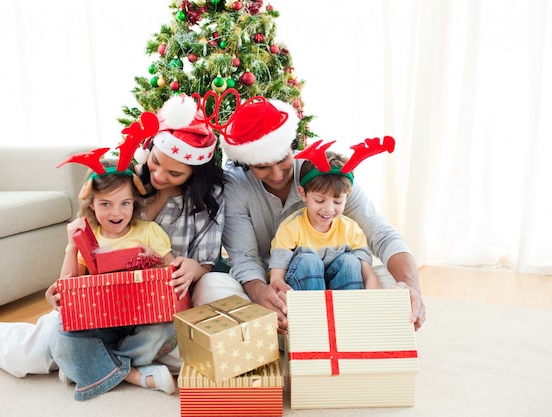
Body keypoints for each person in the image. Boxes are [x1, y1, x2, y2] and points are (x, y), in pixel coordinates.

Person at [0, 93, 225, 379]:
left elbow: (206, 262)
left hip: (148, 312)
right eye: (156, 162)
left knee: (166, 345)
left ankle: (93, 363)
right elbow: (83, 245)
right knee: (32, 356)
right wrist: (61, 290)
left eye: (175, 174)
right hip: (97, 306)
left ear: (195, 173)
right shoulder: (122, 180)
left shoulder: (206, 200)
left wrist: (193, 268)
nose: (159, 175)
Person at [192, 94, 426, 333]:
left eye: (282, 159)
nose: (276, 175)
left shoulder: (326, 174)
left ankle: (311, 337)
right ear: (246, 162)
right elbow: (245, 258)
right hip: (275, 285)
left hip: (338, 279)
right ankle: (291, 333)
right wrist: (262, 293)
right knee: (210, 288)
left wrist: (411, 288)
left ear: (292, 146)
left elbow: (382, 235)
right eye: (262, 166)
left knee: (391, 282)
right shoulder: (235, 185)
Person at [48, 155, 178, 401]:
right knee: (59, 334)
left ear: (134, 202)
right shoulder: (89, 237)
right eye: (105, 204)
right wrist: (71, 247)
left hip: (142, 320)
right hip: (101, 322)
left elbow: (173, 271)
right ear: (92, 205)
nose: (116, 212)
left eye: (125, 203)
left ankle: (85, 366)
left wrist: (155, 260)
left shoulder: (149, 231)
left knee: (167, 330)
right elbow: (68, 284)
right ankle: (135, 375)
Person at [269, 150, 380, 291]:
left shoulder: (351, 229)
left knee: (351, 261)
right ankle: (314, 311)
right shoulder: (290, 228)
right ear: (303, 193)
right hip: (302, 289)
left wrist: (369, 301)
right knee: (309, 261)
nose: (329, 209)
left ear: (348, 196)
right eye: (319, 200)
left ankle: (348, 310)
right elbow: (277, 278)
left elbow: (368, 275)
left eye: (338, 202)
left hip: (336, 285)